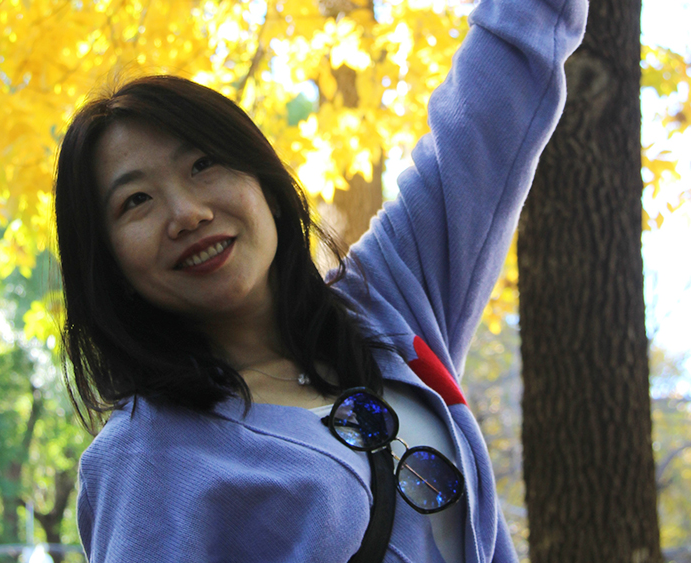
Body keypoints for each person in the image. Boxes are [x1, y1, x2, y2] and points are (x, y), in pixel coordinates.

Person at [54, 0, 586, 559]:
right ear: (106, 261)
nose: (187, 212)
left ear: (263, 182)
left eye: (203, 165)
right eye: (136, 200)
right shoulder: (146, 458)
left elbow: (496, 98)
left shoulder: (385, 303)